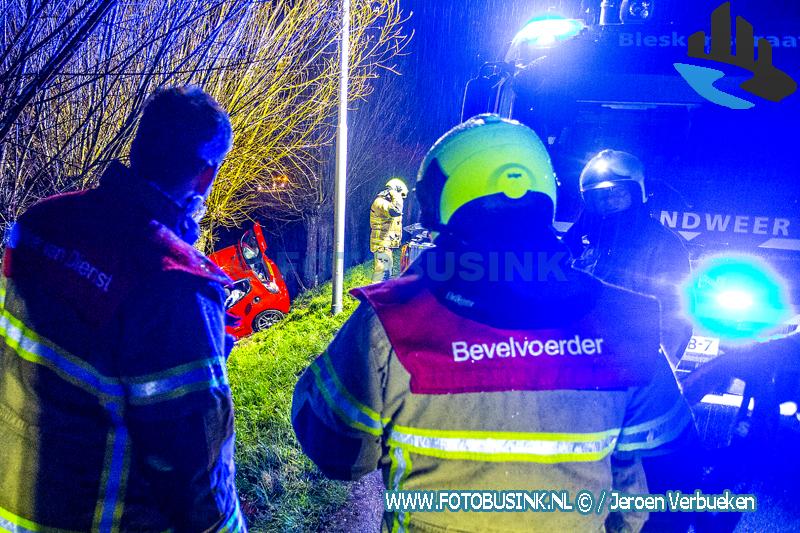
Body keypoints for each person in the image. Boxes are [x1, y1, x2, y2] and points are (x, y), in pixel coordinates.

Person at [293, 115, 695, 532]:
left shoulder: (391, 320)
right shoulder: (626, 319)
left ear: (443, 201)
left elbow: (337, 451)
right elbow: (666, 469)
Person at [0, 87, 246, 531]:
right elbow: (195, 474)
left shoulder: (38, 223)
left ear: (139, 145)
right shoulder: (176, 286)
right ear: (205, 178)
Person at [563, 149, 693, 365]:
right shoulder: (583, 236)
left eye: (618, 193)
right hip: (576, 352)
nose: (610, 200)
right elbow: (548, 281)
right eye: (601, 195)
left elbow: (675, 313)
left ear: (636, 192)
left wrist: (658, 367)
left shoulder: (661, 243)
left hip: (628, 358)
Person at [370, 177, 408, 282]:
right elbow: (396, 210)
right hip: (381, 246)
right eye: (400, 195)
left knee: (385, 278)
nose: (401, 199)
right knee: (380, 278)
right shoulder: (380, 203)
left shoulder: (386, 203)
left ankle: (378, 297)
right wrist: (394, 192)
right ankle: (370, 298)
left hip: (386, 247)